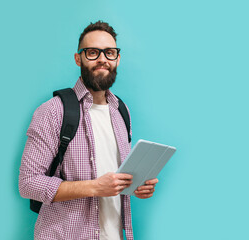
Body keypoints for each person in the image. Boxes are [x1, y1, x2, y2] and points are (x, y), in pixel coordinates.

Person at [19, 20, 159, 240]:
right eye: (93, 52)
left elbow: (116, 180)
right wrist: (94, 187)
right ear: (78, 58)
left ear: (117, 59)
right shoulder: (52, 111)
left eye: (109, 53)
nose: (102, 59)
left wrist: (137, 187)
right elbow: (28, 183)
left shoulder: (121, 111)